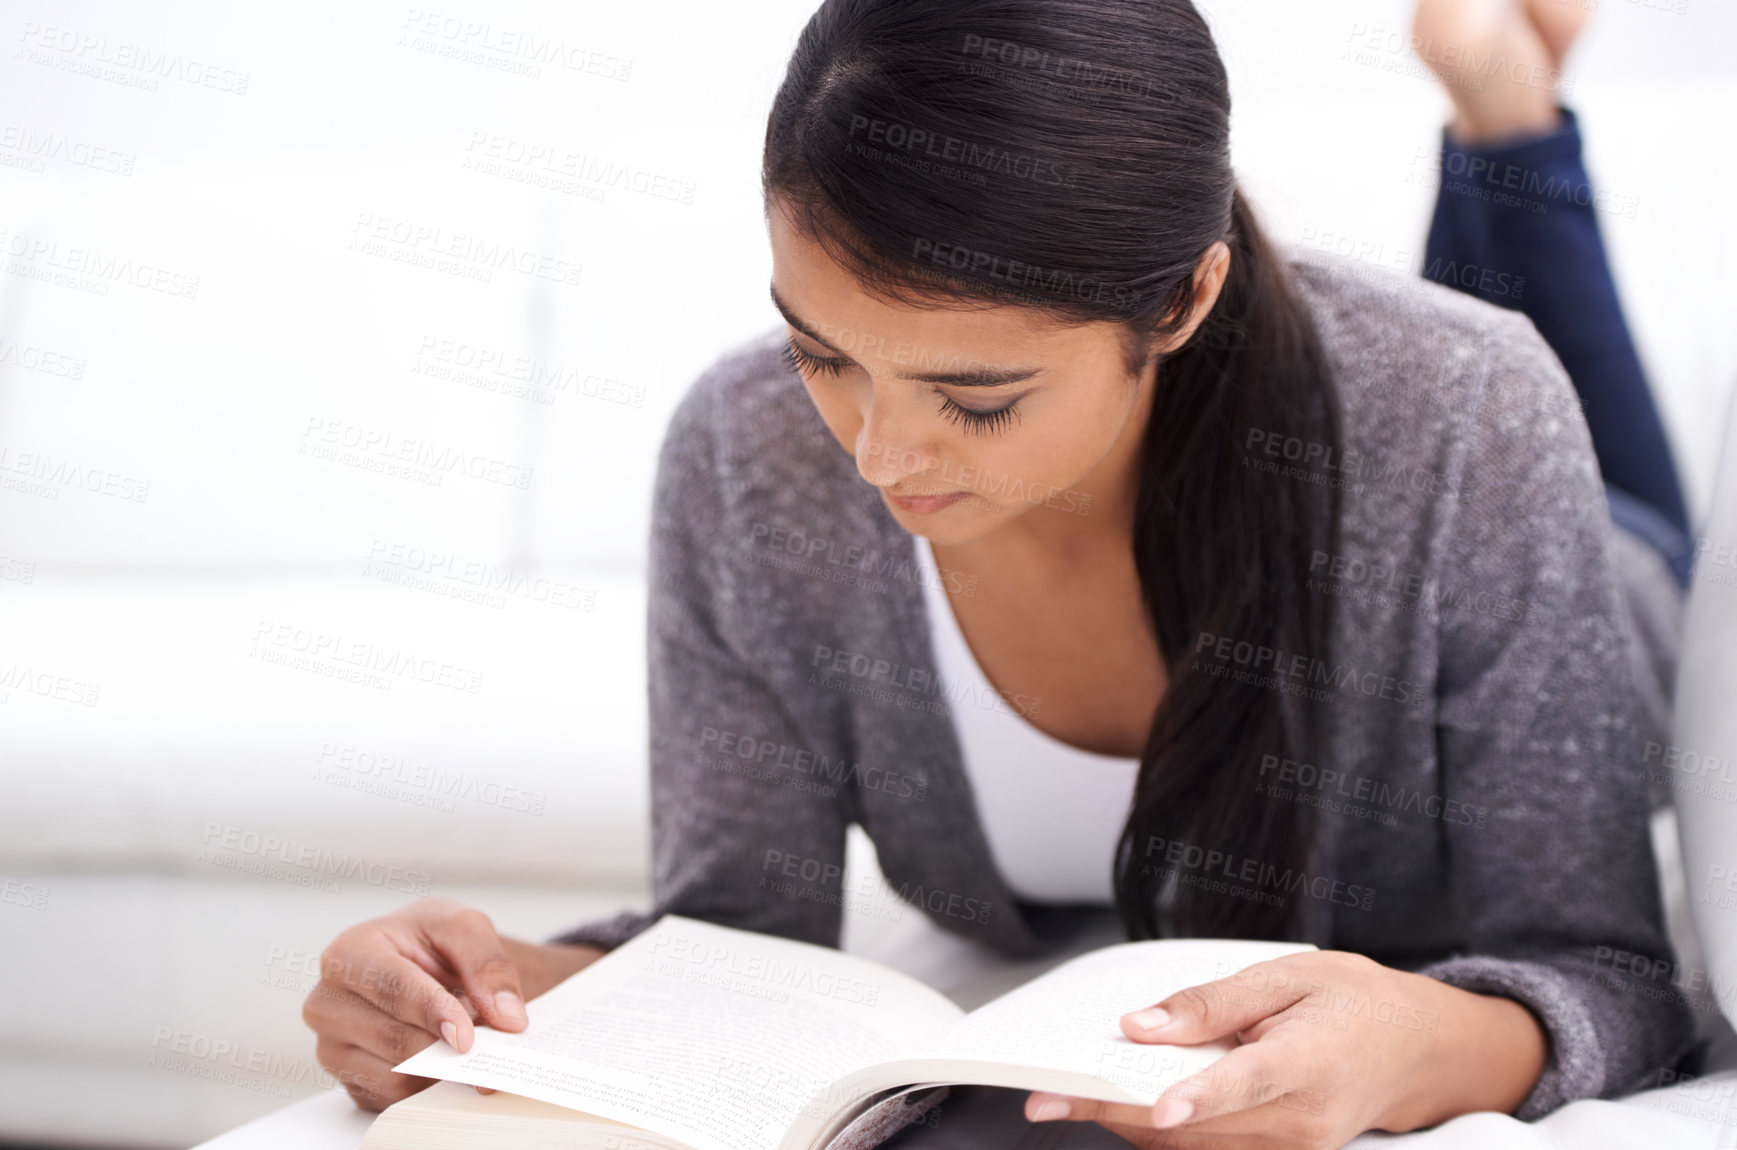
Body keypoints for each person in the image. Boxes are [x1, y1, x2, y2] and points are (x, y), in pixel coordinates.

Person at [303, 0, 1700, 1144]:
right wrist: (488, 994)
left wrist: (1422, 1046)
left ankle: (1503, 109)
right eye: (821, 353)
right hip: (1390, 404)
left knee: (1555, 414)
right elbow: (731, 929)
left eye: (974, 399)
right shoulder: (745, 451)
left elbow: (1614, 978)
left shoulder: (1467, 411)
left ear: (1181, 298)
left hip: (1605, 581)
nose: (873, 453)